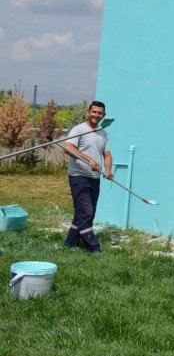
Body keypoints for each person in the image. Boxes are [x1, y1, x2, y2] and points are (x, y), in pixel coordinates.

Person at [63, 101, 113, 254]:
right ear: (88, 112)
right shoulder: (79, 130)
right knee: (86, 212)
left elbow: (107, 154)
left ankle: (70, 244)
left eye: (99, 113)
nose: (96, 115)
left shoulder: (103, 133)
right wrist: (89, 159)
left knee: (84, 213)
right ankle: (94, 246)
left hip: (95, 177)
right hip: (79, 175)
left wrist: (108, 170)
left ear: (103, 115)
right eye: (94, 112)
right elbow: (68, 148)